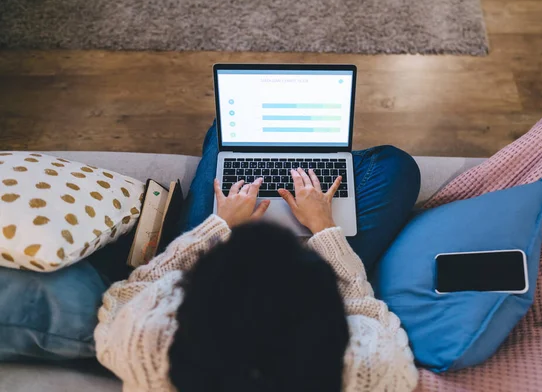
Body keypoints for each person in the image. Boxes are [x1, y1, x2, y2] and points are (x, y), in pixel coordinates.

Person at [94, 123, 421, 392]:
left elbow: (133, 290)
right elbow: (365, 309)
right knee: (395, 165)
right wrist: (323, 226)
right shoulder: (369, 366)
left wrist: (217, 225)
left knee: (228, 130)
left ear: (190, 302)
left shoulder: (147, 344)